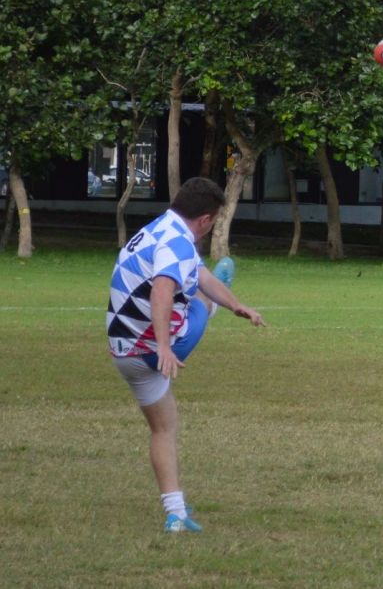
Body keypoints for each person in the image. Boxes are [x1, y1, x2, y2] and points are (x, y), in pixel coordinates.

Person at [106, 176, 266, 533]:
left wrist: (237, 305)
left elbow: (197, 274)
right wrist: (164, 346)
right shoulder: (177, 243)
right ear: (206, 219)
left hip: (123, 351)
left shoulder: (158, 229)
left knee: (164, 427)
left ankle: (175, 513)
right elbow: (162, 291)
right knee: (198, 303)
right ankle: (211, 308)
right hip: (160, 347)